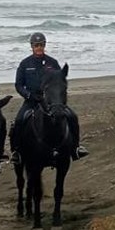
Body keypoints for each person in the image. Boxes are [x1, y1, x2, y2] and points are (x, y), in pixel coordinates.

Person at [9, 32, 88, 164]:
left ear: (44, 45)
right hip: (32, 100)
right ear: (32, 46)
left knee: (72, 116)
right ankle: (16, 151)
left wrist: (57, 98)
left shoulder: (52, 62)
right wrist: (29, 95)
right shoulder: (25, 63)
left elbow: (60, 81)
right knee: (19, 120)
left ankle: (75, 148)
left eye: (41, 45)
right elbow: (18, 85)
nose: (39, 47)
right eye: (36, 45)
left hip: (52, 102)